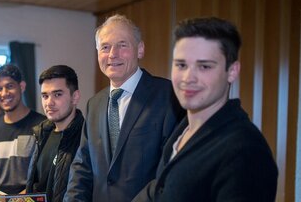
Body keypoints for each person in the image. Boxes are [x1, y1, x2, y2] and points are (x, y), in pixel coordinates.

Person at [133, 17, 278, 201]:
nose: (188, 77)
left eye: (204, 66)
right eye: (181, 65)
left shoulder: (245, 151)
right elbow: (159, 190)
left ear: (232, 71)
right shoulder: (183, 129)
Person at [64, 14, 184, 202]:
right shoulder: (94, 104)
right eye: (105, 47)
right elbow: (83, 166)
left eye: (122, 45)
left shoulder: (169, 96)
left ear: (140, 49)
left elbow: (172, 169)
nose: (113, 54)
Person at [0, 64, 46, 194]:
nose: (4, 93)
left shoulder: (43, 126)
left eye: (9, 86)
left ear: (22, 86)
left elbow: (46, 176)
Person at [25, 65, 85, 202]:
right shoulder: (41, 134)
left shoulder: (87, 138)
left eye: (57, 94)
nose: (49, 103)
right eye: (45, 96)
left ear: (75, 97)